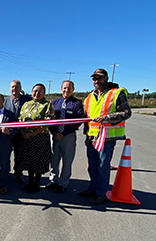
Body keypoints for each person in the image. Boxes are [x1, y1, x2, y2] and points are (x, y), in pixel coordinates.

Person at [79, 68, 131, 205]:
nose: (96, 81)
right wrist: (86, 135)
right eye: (94, 78)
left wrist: (107, 118)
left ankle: (101, 193)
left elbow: (126, 113)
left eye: (99, 78)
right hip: (92, 137)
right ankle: (93, 188)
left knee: (103, 166)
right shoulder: (90, 97)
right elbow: (87, 118)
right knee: (92, 166)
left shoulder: (116, 93)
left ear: (106, 78)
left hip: (107, 138)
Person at [47, 80, 84, 193]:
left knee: (67, 161)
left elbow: (78, 120)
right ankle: (53, 180)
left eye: (69, 88)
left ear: (73, 89)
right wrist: (54, 132)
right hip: (55, 135)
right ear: (61, 88)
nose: (66, 90)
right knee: (54, 159)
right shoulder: (55, 103)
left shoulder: (76, 103)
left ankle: (63, 183)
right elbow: (50, 118)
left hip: (68, 136)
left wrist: (64, 132)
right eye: (64, 88)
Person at [18, 83, 54, 193]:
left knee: (38, 162)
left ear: (44, 93)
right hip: (26, 137)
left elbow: (46, 124)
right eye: (35, 91)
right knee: (29, 161)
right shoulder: (26, 104)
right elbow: (20, 119)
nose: (37, 93)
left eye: (40, 91)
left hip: (39, 137)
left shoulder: (47, 105)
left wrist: (31, 134)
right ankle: (30, 182)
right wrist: (23, 131)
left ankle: (36, 184)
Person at [3, 80, 32, 184]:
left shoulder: (27, 100)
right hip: (7, 133)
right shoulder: (5, 100)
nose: (14, 89)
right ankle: (6, 173)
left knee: (19, 155)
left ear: (20, 88)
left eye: (16, 87)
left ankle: (18, 174)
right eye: (12, 87)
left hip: (20, 133)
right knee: (5, 155)